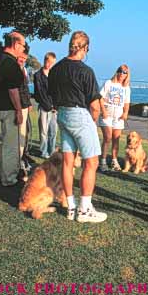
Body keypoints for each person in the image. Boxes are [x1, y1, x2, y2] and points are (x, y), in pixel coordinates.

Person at [48, 31, 107, 223]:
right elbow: (95, 105)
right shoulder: (85, 71)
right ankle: (84, 210)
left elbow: (52, 96)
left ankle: (71, 207)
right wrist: (92, 121)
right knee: (92, 163)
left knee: (68, 162)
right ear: (86, 48)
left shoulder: (56, 69)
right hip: (80, 115)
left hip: (62, 115)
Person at [0, 31, 28, 187]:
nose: (24, 48)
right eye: (23, 45)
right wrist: (19, 111)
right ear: (16, 44)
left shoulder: (0, 59)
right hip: (10, 109)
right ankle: (9, 178)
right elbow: (12, 90)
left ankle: (6, 173)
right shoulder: (9, 62)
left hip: (2, 108)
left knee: (8, 143)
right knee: (13, 145)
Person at [98, 64, 131, 172]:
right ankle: (102, 161)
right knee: (107, 138)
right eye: (121, 71)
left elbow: (126, 103)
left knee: (116, 139)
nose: (122, 74)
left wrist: (125, 113)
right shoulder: (108, 83)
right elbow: (100, 98)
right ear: (117, 71)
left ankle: (114, 160)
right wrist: (103, 111)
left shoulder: (126, 88)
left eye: (125, 72)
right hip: (107, 115)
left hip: (118, 117)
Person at [33, 52, 57, 159]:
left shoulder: (54, 74)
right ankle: (43, 151)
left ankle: (51, 151)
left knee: (53, 131)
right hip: (44, 107)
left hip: (55, 108)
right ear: (45, 61)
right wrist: (49, 106)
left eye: (52, 63)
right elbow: (40, 93)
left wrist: (56, 106)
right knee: (43, 131)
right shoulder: (38, 75)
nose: (50, 64)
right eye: (48, 62)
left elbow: (58, 91)